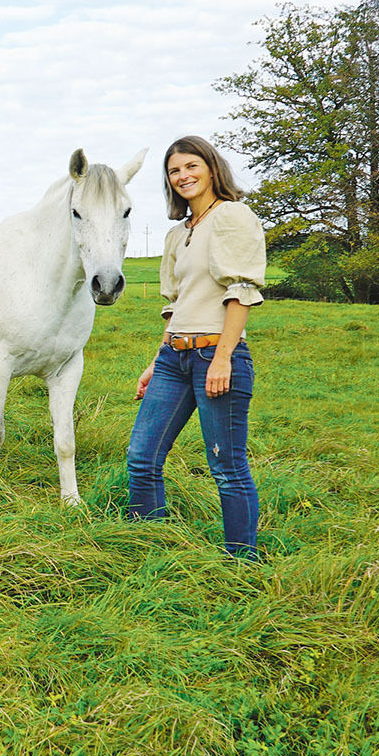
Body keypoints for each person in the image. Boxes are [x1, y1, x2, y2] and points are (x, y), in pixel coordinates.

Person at [124, 135, 266, 560]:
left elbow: (240, 291)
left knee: (226, 466)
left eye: (191, 166)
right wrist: (155, 362)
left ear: (211, 167)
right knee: (141, 457)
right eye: (174, 171)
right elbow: (177, 305)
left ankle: (241, 561)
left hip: (214, 355)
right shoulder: (177, 234)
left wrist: (223, 358)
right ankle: (149, 547)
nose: (183, 176)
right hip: (174, 358)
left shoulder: (233, 216)